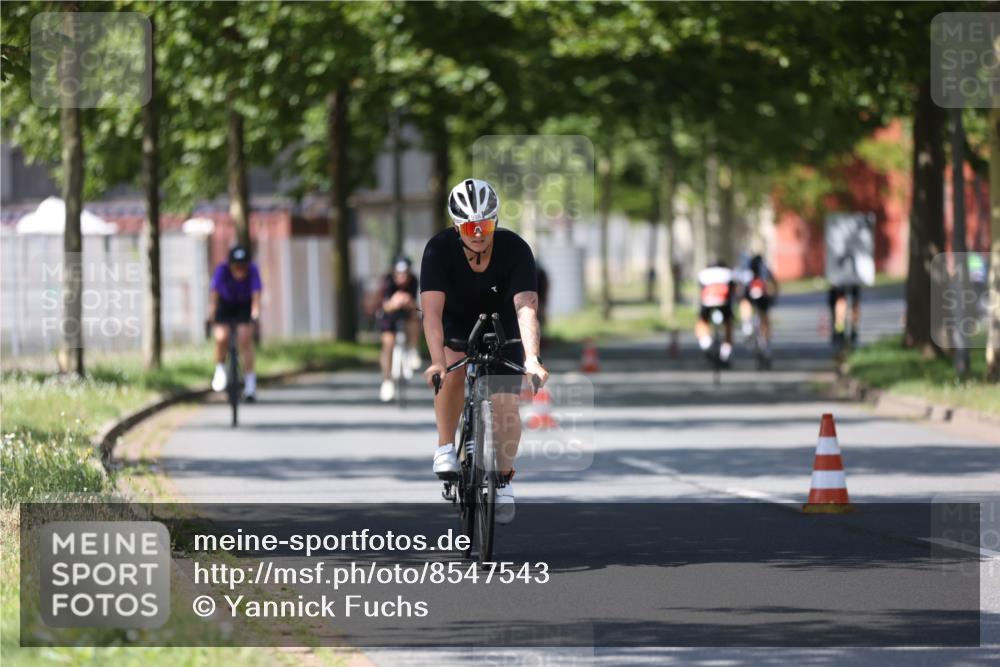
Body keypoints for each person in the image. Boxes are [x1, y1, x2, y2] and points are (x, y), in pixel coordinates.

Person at [420, 178, 549, 525]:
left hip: (502, 323)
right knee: (451, 372)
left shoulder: (516, 249)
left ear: (494, 221)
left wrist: (532, 359)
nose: (478, 233)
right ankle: (446, 446)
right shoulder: (437, 250)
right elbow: (431, 313)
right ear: (457, 225)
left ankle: (504, 477)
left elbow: (526, 308)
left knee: (506, 404)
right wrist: (435, 362)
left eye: (485, 224)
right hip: (455, 321)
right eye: (470, 226)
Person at [210, 245, 262, 401]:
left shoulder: (253, 270)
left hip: (243, 305)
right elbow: (214, 295)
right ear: (230, 264)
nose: (240, 270)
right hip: (225, 304)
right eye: (236, 266)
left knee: (245, 339)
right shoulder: (222, 270)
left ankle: (250, 385)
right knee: (221, 337)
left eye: (243, 266)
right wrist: (212, 315)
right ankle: (220, 370)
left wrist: (255, 314)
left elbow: (256, 296)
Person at [378, 256, 422, 402]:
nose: (402, 277)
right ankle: (387, 380)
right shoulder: (387, 281)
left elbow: (415, 304)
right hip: (389, 314)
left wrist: (408, 302)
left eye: (405, 274)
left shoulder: (414, 280)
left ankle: (413, 349)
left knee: (416, 318)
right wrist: (394, 302)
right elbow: (383, 305)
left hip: (407, 313)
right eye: (399, 274)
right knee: (388, 343)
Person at [695, 259, 735, 366]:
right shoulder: (729, 273)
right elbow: (732, 292)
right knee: (728, 324)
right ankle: (725, 353)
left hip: (708, 302)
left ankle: (706, 343)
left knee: (702, 322)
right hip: (724, 303)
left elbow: (701, 291)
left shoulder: (704, 273)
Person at [738, 254, 779, 358]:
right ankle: (766, 343)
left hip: (750, 296)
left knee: (744, 303)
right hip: (762, 296)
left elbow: (740, 287)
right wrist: (774, 297)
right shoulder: (765, 269)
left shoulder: (745, 269)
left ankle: (746, 326)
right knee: (764, 316)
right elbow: (774, 283)